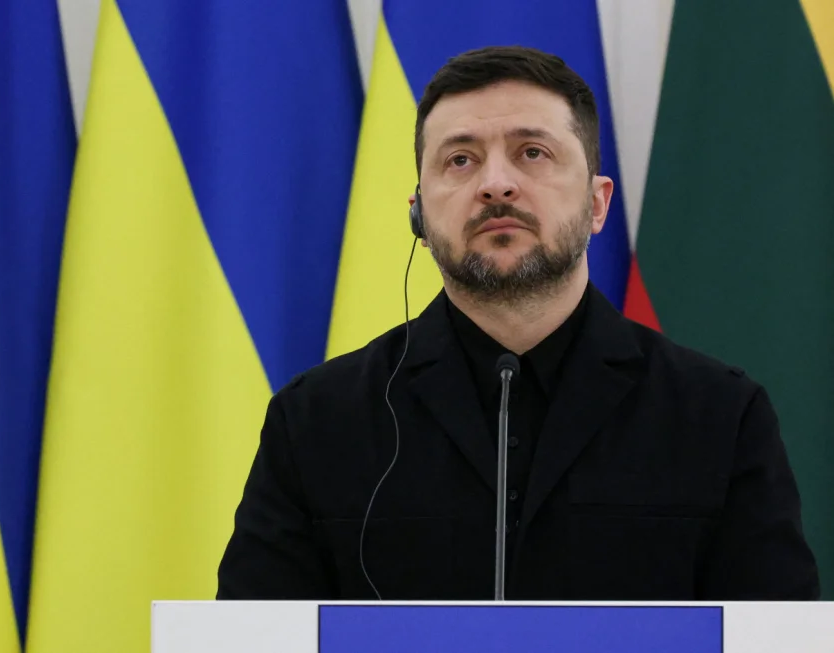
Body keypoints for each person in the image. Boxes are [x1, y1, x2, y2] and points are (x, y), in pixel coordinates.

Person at [215, 45, 820, 600]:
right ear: (419, 217)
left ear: (597, 202)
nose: (496, 184)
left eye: (533, 153)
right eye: (460, 160)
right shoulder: (317, 421)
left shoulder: (718, 415)